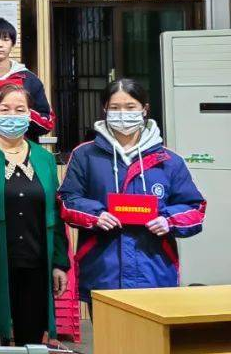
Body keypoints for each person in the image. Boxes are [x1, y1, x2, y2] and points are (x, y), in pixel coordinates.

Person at [58, 78, 205, 302]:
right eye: (115, 107)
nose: (122, 114)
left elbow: (195, 208)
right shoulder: (85, 155)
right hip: (104, 271)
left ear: (144, 109)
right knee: (109, 325)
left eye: (130, 107)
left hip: (155, 271)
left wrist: (168, 220)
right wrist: (96, 215)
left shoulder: (169, 160)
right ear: (105, 109)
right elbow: (67, 200)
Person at [0, 84, 70, 346]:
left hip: (36, 262)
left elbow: (56, 214)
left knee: (32, 340)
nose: (12, 115)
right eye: (4, 109)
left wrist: (59, 262)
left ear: (30, 114)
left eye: (20, 110)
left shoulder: (44, 159)